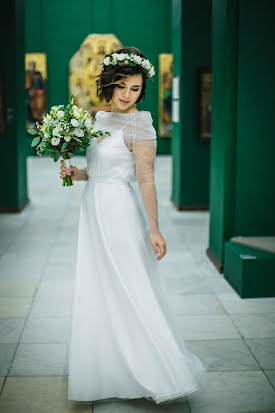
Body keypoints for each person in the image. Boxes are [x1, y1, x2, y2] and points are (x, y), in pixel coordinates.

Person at [60, 46, 206, 405]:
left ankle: (155, 369)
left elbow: (145, 180)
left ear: (143, 90)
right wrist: (74, 173)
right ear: (109, 84)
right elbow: (97, 170)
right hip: (93, 209)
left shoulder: (141, 125)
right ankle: (106, 368)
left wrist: (154, 229)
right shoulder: (97, 118)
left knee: (130, 286)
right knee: (99, 286)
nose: (128, 95)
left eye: (136, 88)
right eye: (122, 86)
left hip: (121, 213)